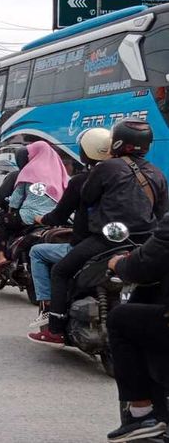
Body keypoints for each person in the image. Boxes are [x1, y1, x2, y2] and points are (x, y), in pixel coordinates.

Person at [30, 118, 168, 345]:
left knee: (61, 272)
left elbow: (87, 197)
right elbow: (161, 213)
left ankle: (54, 328)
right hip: (142, 244)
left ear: (118, 143)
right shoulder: (157, 173)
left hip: (107, 241)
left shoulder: (106, 168)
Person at [27, 127, 112, 329]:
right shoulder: (128, 176)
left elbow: (59, 215)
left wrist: (41, 218)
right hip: (129, 241)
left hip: (91, 244)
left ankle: (50, 314)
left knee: (38, 253)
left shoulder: (83, 180)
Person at [103, 212, 169, 442]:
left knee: (120, 319)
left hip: (112, 243)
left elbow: (143, 266)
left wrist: (119, 263)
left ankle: (142, 413)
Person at [0, 141, 70, 271]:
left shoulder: (30, 171)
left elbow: (15, 200)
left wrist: (9, 204)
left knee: (1, 223)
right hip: (56, 218)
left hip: (29, 216)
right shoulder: (61, 173)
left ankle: (0, 256)